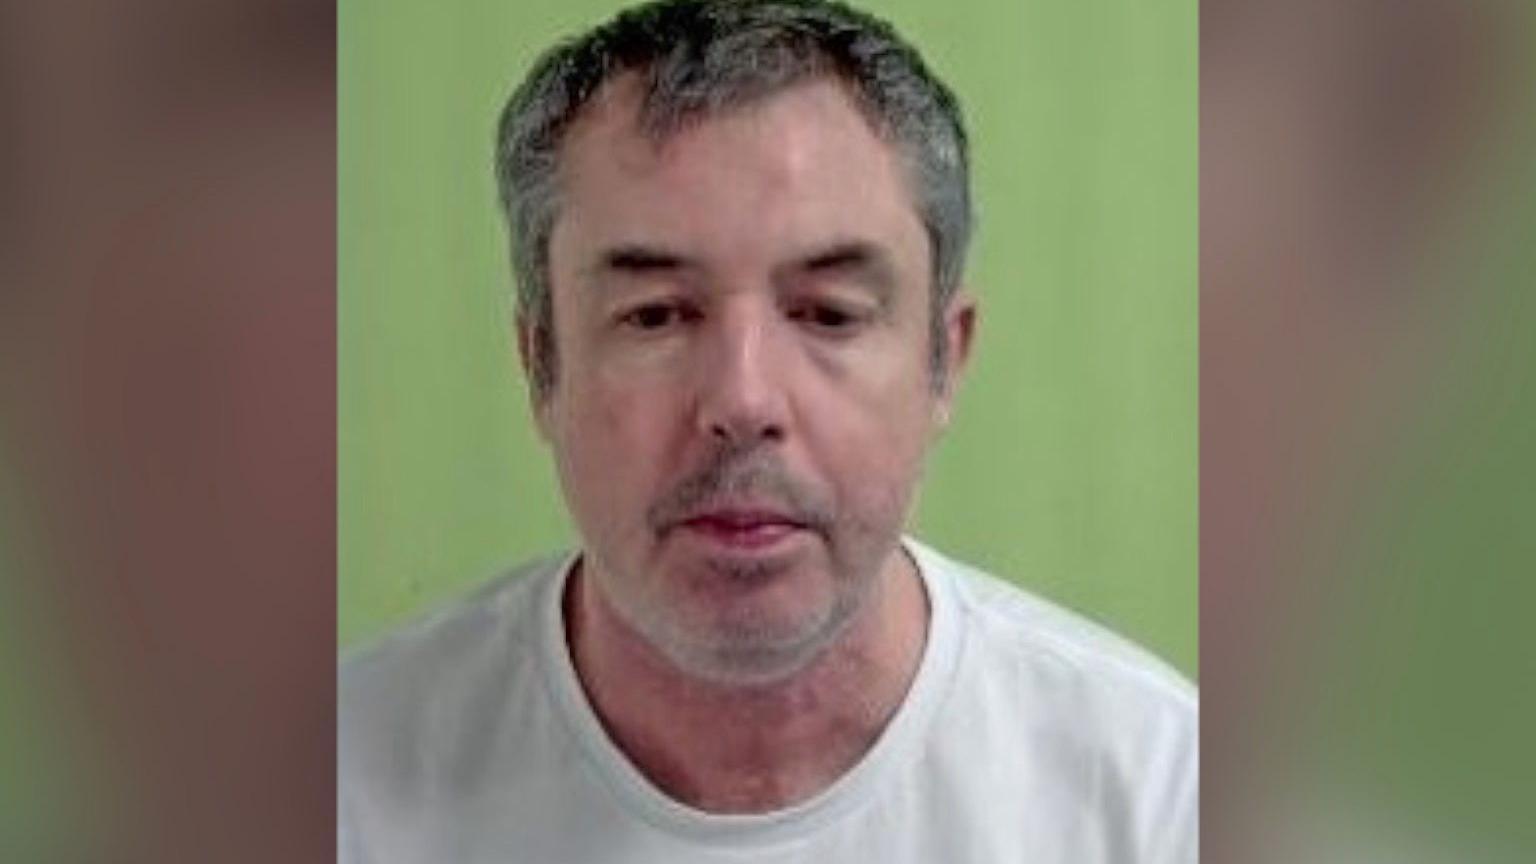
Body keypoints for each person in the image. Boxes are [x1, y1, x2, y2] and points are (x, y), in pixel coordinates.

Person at [339, 1, 1196, 861]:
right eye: (656, 315)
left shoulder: (1158, 795)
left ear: (945, 360)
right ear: (541, 365)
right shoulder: (344, 788)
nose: (744, 400)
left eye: (827, 313)